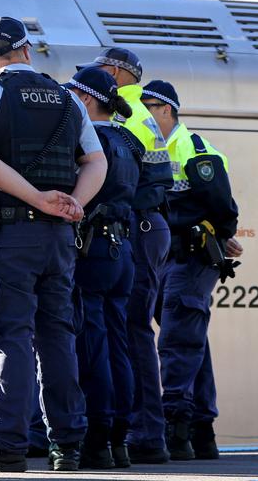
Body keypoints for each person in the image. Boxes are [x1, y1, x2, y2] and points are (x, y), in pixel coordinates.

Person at [0, 16, 107, 473]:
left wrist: (35, 198)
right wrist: (71, 204)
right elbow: (95, 162)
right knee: (57, 337)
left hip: (6, 235)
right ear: (27, 51)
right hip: (58, 238)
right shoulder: (66, 98)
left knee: (6, 337)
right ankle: (68, 447)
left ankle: (5, 444)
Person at [76, 47, 173, 465]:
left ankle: (132, 432)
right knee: (129, 334)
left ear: (114, 73)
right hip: (138, 227)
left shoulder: (124, 109)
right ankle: (135, 433)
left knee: (108, 334)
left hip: (121, 228)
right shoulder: (138, 121)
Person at [143, 80, 242, 461]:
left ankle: (176, 426)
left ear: (166, 109)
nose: (142, 115)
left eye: (148, 107)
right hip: (165, 258)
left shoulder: (195, 151)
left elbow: (224, 209)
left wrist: (218, 237)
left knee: (178, 340)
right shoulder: (152, 150)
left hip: (191, 258)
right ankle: (202, 430)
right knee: (188, 340)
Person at [63, 68, 141, 469]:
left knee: (92, 345)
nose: (68, 100)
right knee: (119, 344)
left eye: (73, 94)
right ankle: (119, 439)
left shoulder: (90, 142)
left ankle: (97, 438)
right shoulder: (128, 140)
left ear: (88, 99)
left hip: (92, 249)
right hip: (122, 248)